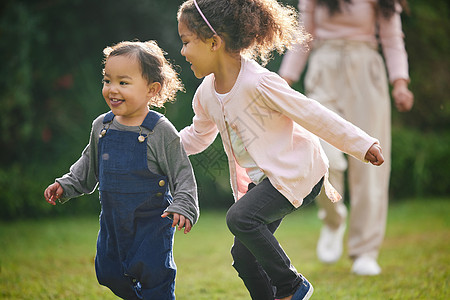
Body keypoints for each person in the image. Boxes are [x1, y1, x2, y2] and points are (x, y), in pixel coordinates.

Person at [176, 0, 384, 299]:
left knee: (240, 218)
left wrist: (362, 144)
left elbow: (312, 113)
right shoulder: (206, 94)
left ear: (214, 42)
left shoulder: (259, 82)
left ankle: (292, 287)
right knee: (244, 258)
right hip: (268, 182)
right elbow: (197, 136)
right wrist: (160, 146)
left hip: (299, 171)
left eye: (186, 42)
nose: (182, 52)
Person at [43, 40, 199, 300]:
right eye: (107, 80)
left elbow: (182, 174)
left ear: (152, 89)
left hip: (152, 226)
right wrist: (67, 184)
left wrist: (183, 205)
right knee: (108, 273)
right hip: (113, 224)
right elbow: (88, 165)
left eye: (123, 83)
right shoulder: (102, 126)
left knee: (155, 279)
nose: (112, 89)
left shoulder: (159, 131)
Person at [279, 0, 414, 276]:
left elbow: (392, 39)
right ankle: (333, 219)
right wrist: (283, 83)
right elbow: (303, 37)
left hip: (367, 71)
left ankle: (365, 251)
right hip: (323, 70)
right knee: (321, 156)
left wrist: (400, 82)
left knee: (372, 163)